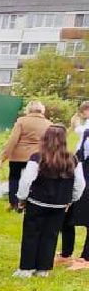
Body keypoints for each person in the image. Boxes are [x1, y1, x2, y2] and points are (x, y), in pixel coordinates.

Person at [13, 124, 84, 277]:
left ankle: (26, 268)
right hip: (59, 205)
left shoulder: (37, 158)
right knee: (50, 235)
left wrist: (21, 198)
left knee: (31, 234)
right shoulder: (73, 159)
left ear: (45, 139)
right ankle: (43, 269)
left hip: (37, 202)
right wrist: (71, 199)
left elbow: (26, 180)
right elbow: (80, 184)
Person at [0, 101, 50, 212]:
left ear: (28, 110)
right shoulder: (48, 124)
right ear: (42, 110)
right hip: (37, 157)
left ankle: (14, 203)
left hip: (18, 156)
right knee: (34, 180)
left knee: (14, 179)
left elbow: (13, 140)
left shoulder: (21, 121)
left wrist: (3, 156)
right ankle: (29, 203)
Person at [58, 101, 89, 268]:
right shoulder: (86, 131)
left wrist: (76, 126)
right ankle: (66, 253)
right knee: (68, 213)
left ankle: (86, 258)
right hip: (81, 174)